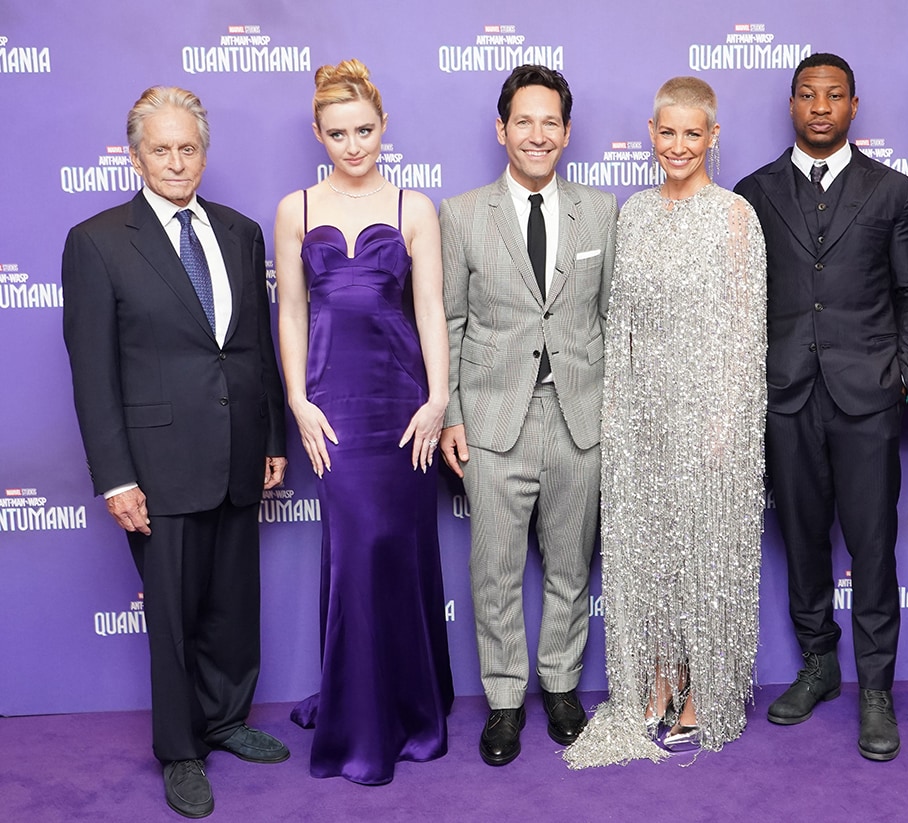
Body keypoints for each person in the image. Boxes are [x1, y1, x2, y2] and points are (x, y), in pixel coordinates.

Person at [61, 86, 289, 819]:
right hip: (157, 466)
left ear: (204, 151)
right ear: (135, 157)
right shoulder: (97, 241)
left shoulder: (240, 231)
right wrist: (115, 475)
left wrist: (272, 438)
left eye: (187, 147)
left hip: (237, 451)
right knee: (172, 615)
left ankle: (224, 719)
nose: (176, 161)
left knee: (231, 602)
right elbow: (92, 372)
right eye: (160, 149)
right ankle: (181, 749)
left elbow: (255, 348)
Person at [735, 52, 908, 762]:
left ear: (853, 105)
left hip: (867, 398)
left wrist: (904, 378)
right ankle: (820, 663)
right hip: (785, 394)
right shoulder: (752, 193)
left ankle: (875, 687)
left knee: (874, 546)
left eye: (834, 96)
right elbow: (735, 304)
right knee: (801, 537)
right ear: (791, 105)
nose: (820, 107)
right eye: (807, 95)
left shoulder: (892, 192)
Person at [564, 76, 767, 768]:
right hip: (641, 415)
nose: (679, 146)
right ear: (651, 134)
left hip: (712, 414)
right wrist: (618, 407)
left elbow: (747, 332)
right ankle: (654, 679)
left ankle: (703, 691)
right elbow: (617, 321)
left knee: (704, 554)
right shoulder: (634, 214)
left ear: (713, 137)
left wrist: (727, 421)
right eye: (667, 132)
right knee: (647, 551)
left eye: (693, 134)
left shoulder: (736, 214)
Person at [274, 59, 454, 785]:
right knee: (354, 553)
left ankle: (411, 705)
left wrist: (438, 399)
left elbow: (432, 309)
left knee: (400, 549)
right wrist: (297, 398)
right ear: (319, 134)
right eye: (338, 133)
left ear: (384, 128)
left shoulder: (416, 206)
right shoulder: (297, 209)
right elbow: (290, 309)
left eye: (365, 130)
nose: (353, 145)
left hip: (402, 401)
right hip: (332, 406)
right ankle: (359, 720)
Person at [439, 64, 617, 766]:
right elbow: (449, 323)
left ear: (567, 133)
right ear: (501, 129)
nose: (537, 134)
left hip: (580, 416)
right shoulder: (460, 213)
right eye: (524, 121)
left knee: (571, 566)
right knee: (496, 570)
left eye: (551, 122)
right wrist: (452, 413)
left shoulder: (600, 211)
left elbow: (612, 320)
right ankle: (505, 701)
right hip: (491, 419)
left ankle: (563, 685)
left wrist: (614, 419)